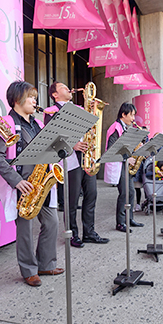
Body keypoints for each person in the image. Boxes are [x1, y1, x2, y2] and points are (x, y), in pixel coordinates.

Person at [0, 81, 61, 288]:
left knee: (52, 223)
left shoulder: (39, 124)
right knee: (25, 230)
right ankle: (29, 270)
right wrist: (17, 181)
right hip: (23, 184)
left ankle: (46, 264)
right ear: (16, 100)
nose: (34, 100)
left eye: (34, 97)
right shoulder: (4, 123)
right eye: (30, 96)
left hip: (42, 181)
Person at [43, 81, 107, 248]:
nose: (68, 88)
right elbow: (51, 138)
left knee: (91, 194)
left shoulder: (79, 108)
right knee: (71, 200)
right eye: (63, 87)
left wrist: (92, 110)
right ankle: (73, 234)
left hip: (87, 157)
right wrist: (72, 145)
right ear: (55, 95)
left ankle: (89, 232)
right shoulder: (51, 112)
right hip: (70, 159)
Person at [106, 103, 145, 232]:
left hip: (125, 164)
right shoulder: (115, 128)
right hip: (119, 164)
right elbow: (112, 149)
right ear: (124, 114)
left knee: (131, 192)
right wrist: (126, 158)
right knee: (124, 193)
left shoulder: (125, 127)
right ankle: (120, 222)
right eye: (132, 115)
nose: (134, 118)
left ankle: (130, 219)